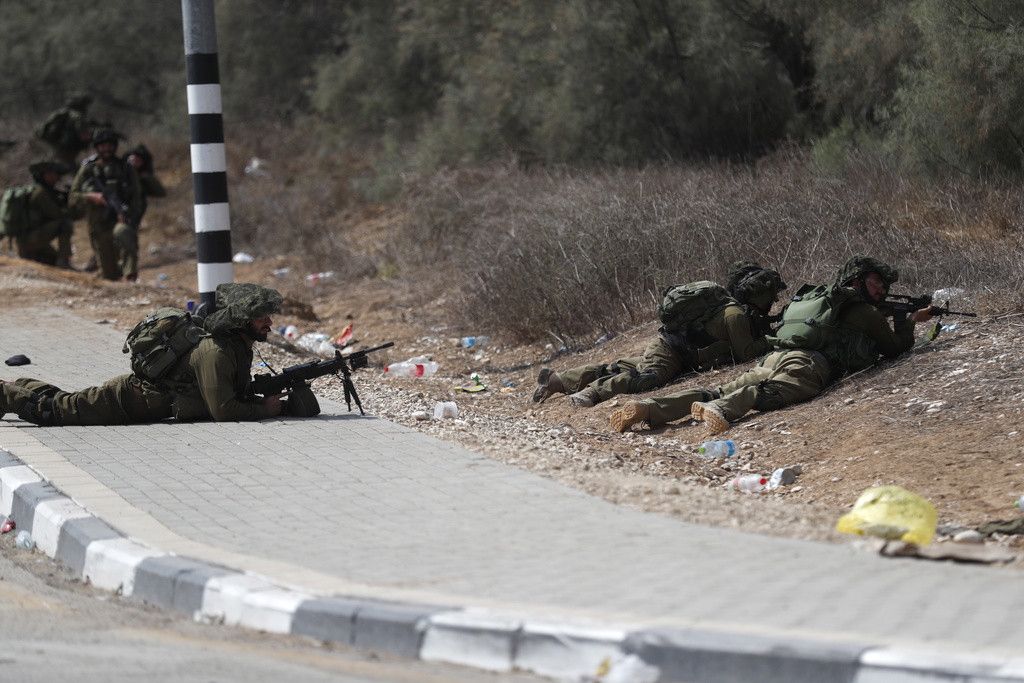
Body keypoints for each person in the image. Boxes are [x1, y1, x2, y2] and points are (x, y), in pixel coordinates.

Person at [608, 256, 935, 434]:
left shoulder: (817, 298)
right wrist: (907, 321)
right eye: (876, 283)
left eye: (883, 285)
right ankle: (721, 412)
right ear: (856, 281)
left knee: (718, 389)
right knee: (763, 395)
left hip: (776, 356)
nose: (881, 289)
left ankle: (650, 407)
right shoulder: (863, 312)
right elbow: (894, 350)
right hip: (809, 365)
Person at [0, 283, 296, 426]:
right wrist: (264, 410)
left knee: (64, 401)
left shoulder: (236, 344)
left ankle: (21, 384)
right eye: (261, 318)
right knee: (55, 412)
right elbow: (223, 411)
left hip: (141, 400)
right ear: (242, 320)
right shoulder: (216, 350)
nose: (269, 323)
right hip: (128, 401)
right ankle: (6, 394)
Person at [531, 262, 788, 408]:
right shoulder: (735, 314)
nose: (774, 300)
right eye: (771, 296)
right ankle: (591, 393)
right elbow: (746, 353)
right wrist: (777, 339)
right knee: (647, 378)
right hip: (673, 350)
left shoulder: (736, 311)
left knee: (621, 367)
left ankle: (559, 380)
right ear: (758, 295)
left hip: (678, 352)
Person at [69, 128, 142, 282]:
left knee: (125, 234)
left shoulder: (125, 168)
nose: (106, 149)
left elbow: (137, 197)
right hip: (98, 226)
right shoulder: (88, 168)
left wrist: (131, 218)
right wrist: (91, 196)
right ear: (97, 147)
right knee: (110, 276)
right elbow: (73, 197)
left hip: (120, 220)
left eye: (109, 145)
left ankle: (131, 276)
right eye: (102, 146)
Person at [14, 161, 79, 268]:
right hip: (31, 239)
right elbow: (57, 215)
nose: (57, 178)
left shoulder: (41, 190)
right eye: (54, 174)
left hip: (28, 241)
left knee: (51, 260)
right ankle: (64, 261)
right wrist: (69, 206)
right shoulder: (41, 193)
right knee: (65, 224)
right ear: (45, 175)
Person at [35, 93, 96, 165]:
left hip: (57, 143)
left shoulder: (61, 113)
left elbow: (43, 128)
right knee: (67, 166)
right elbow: (83, 134)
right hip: (68, 146)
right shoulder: (77, 116)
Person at [124, 144, 166, 223]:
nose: (134, 162)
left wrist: (145, 177)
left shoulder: (144, 178)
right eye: (132, 159)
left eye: (138, 160)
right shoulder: (120, 172)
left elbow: (161, 192)